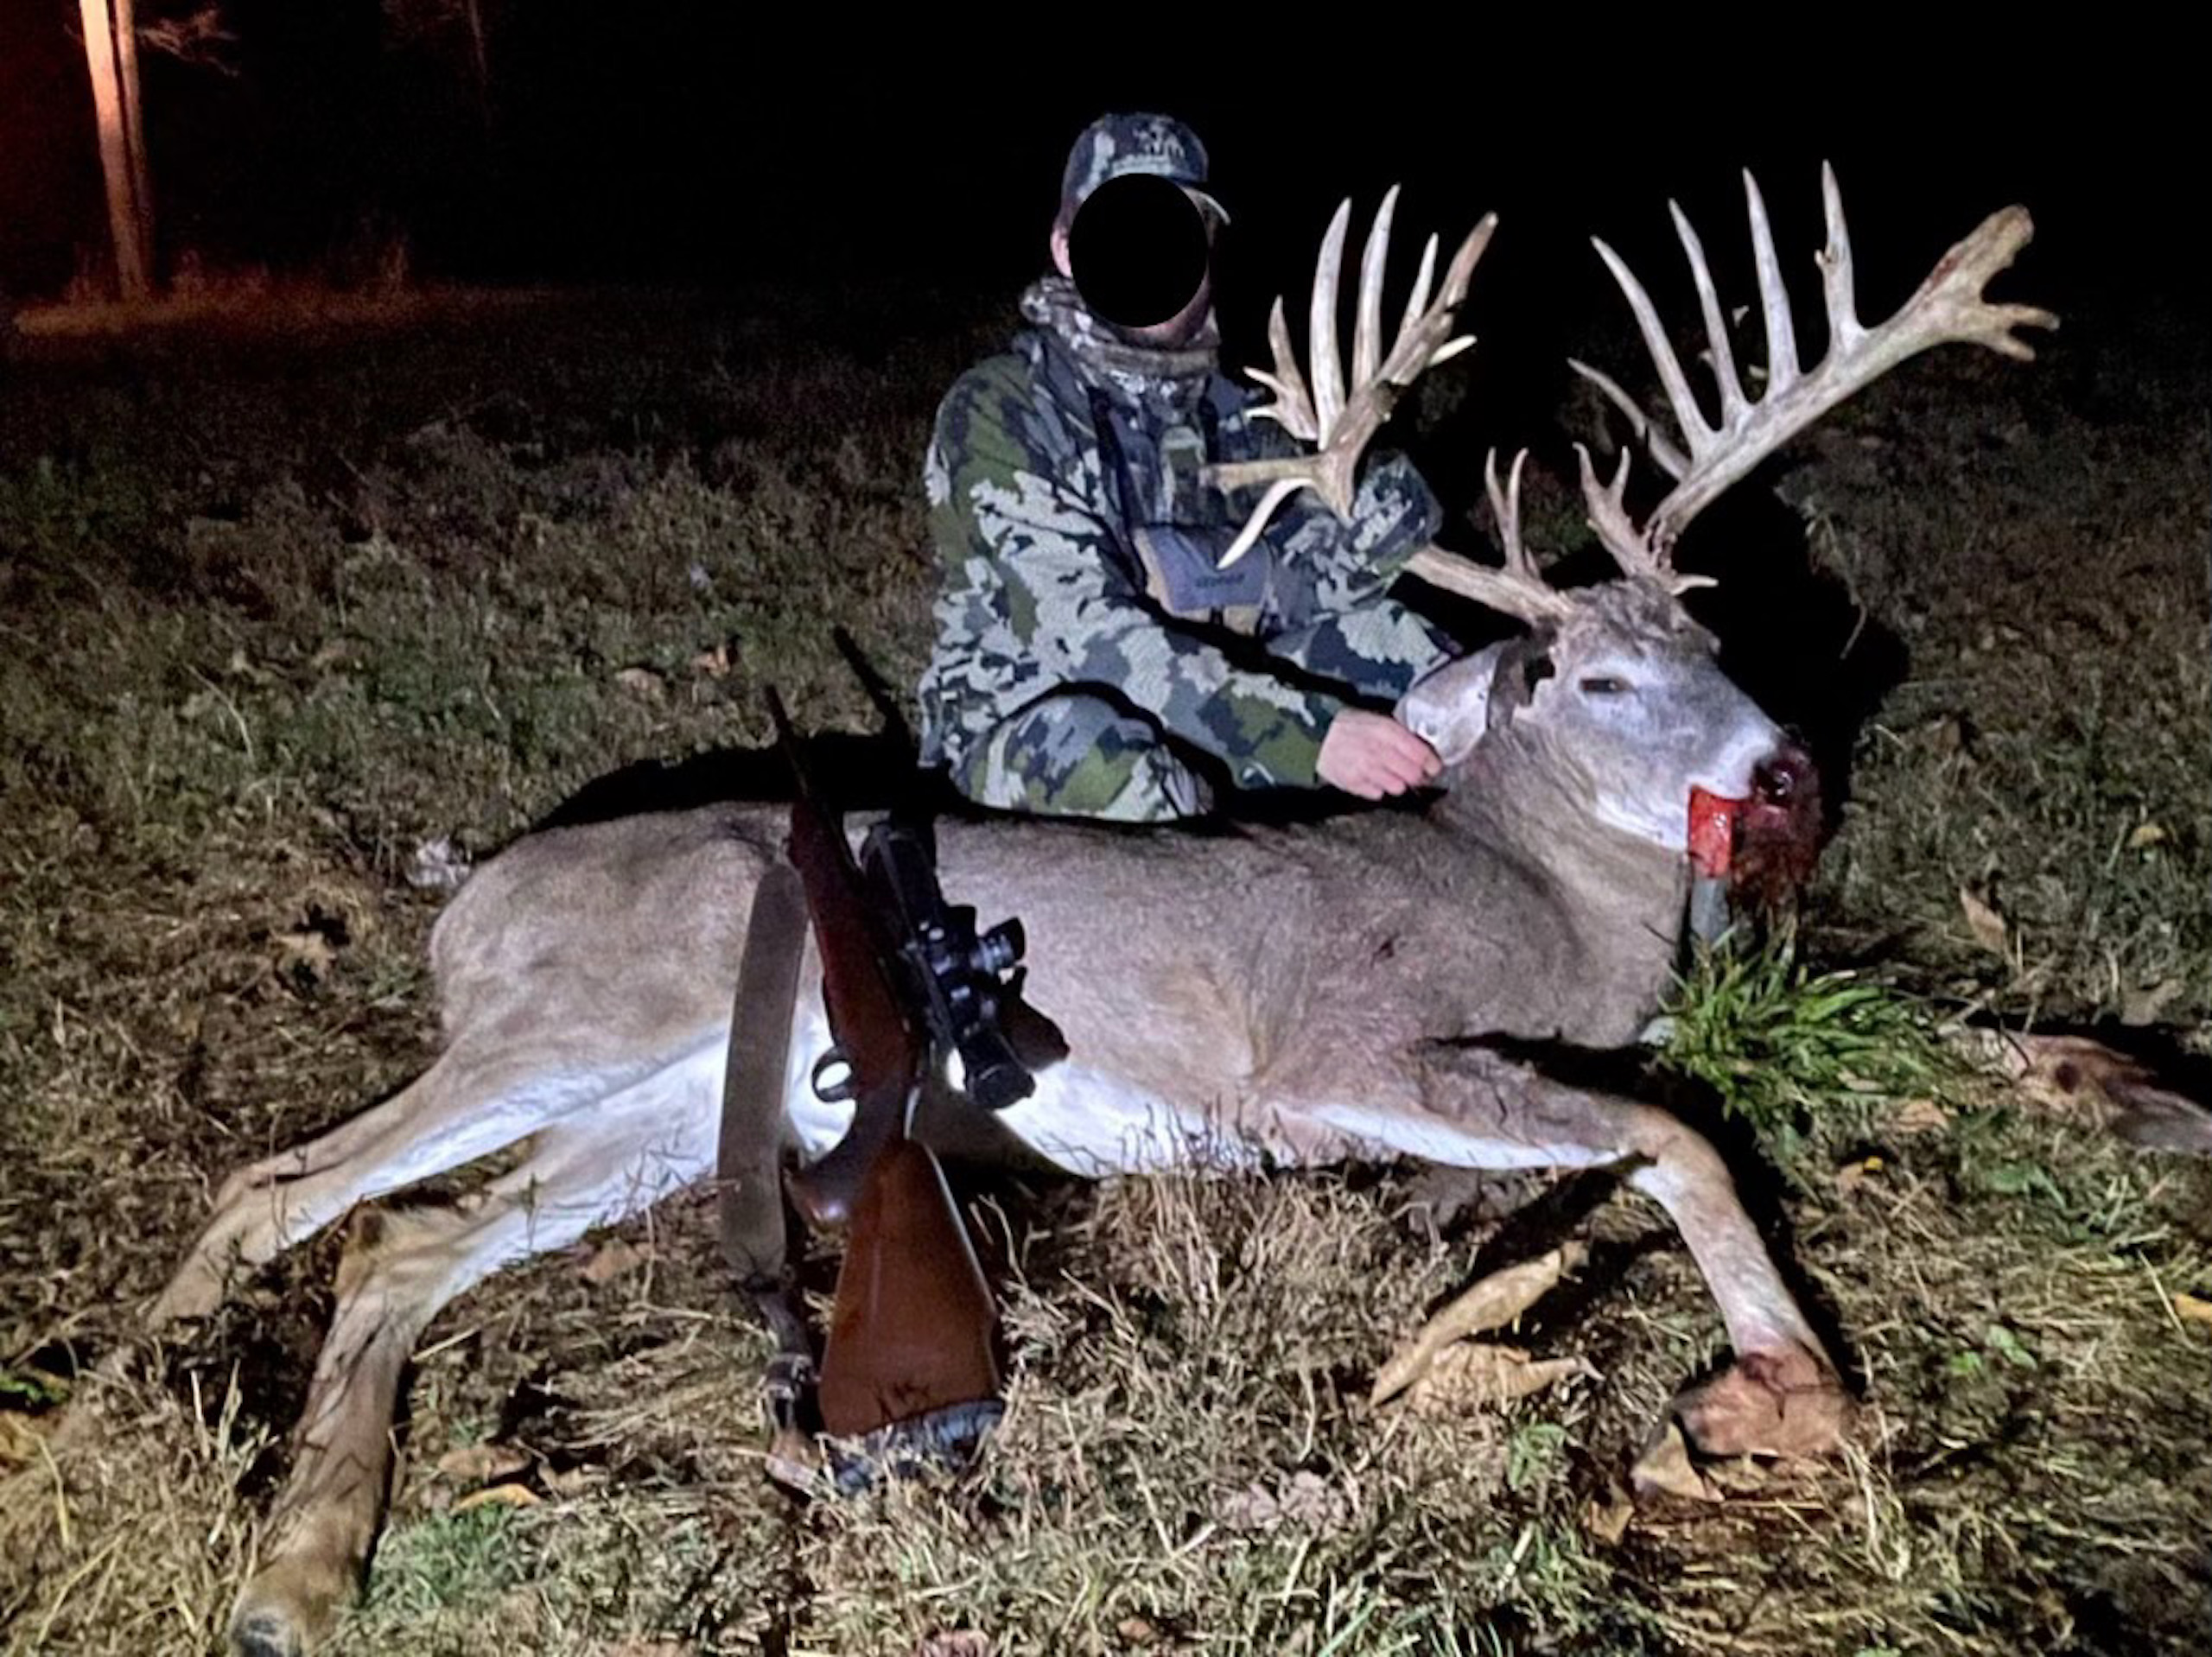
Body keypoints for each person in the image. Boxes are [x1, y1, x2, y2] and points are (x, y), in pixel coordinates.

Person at [914, 112, 1458, 822]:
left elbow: (1295, 586)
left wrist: (1374, 531)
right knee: (1130, 775)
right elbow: (1089, 638)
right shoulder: (1001, 413)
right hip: (1033, 711)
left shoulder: (1244, 413)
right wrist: (1310, 736)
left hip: (1213, 691)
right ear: (1066, 250)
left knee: (1411, 653)